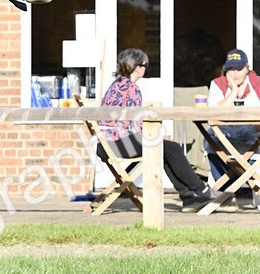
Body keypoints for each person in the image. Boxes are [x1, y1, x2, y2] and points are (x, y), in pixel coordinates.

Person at [99, 48, 228, 212]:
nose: (145, 69)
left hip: (108, 143)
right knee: (172, 148)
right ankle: (201, 190)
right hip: (117, 143)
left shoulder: (116, 86)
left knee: (165, 149)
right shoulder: (131, 89)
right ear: (137, 67)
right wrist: (154, 135)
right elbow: (135, 124)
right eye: (145, 65)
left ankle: (189, 197)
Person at [205, 48, 260, 202]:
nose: (235, 74)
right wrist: (233, 92)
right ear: (225, 70)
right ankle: (225, 193)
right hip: (224, 136)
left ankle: (252, 186)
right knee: (210, 137)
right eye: (231, 69)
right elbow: (213, 116)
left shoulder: (257, 84)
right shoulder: (218, 84)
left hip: (253, 135)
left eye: (239, 69)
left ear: (247, 69)